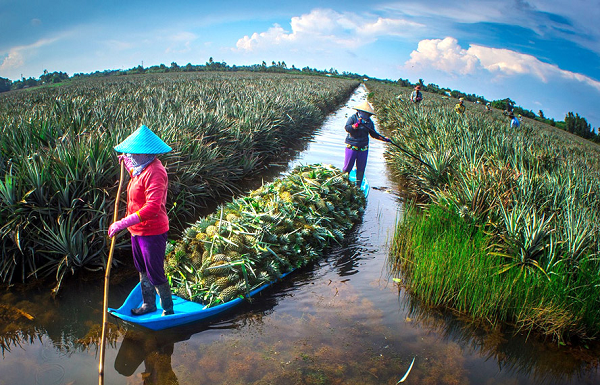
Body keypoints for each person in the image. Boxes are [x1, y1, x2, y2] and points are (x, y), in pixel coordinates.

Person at [108, 125, 174, 316]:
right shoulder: (141, 168)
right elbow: (138, 179)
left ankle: (168, 310)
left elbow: (153, 207)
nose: (130, 155)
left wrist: (123, 222)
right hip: (137, 230)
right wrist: (128, 165)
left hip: (152, 230)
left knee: (155, 271)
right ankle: (149, 304)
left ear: (146, 153)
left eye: (134, 153)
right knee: (142, 268)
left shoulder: (156, 172)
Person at [343, 100, 391, 187]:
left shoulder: (369, 122)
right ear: (359, 112)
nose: (365, 115)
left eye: (367, 114)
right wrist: (355, 125)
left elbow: (373, 134)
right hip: (352, 147)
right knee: (347, 168)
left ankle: (358, 187)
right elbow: (347, 128)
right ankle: (343, 184)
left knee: (361, 169)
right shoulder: (353, 118)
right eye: (363, 113)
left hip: (363, 149)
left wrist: (384, 139)